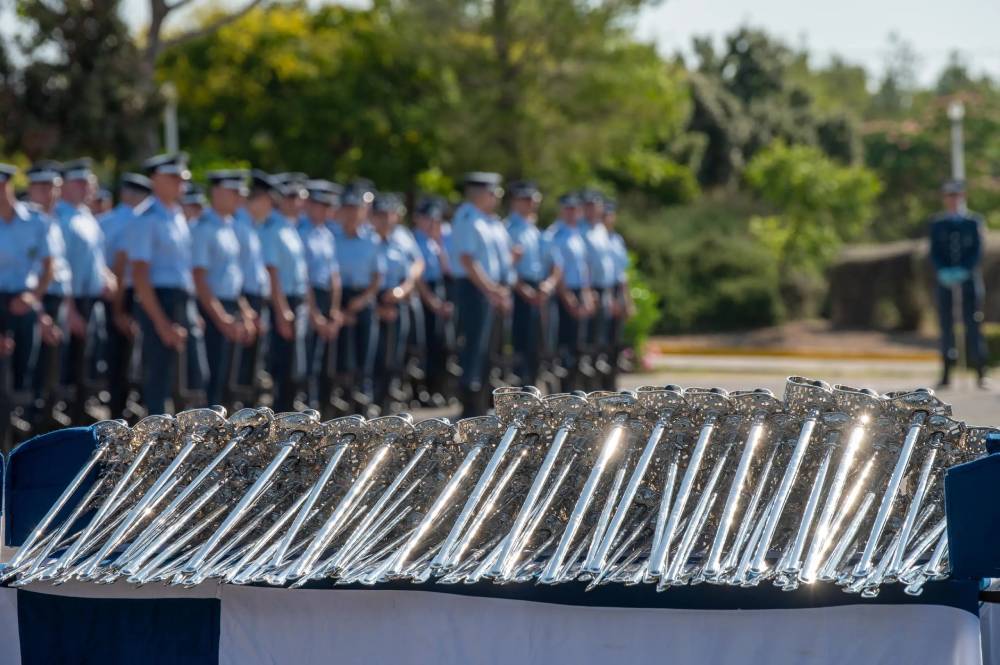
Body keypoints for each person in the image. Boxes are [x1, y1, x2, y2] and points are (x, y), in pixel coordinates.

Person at [130, 152, 207, 415]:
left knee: (190, 379)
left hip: (181, 301)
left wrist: (191, 311)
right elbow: (140, 275)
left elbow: (183, 269)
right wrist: (161, 322)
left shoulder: (177, 215)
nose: (180, 183)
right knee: (159, 379)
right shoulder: (147, 217)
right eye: (173, 177)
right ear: (156, 179)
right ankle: (157, 445)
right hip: (159, 302)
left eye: (181, 178)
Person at [0, 164, 57, 449]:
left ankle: (24, 444)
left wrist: (32, 297)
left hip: (24, 301)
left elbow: (49, 268)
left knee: (27, 374)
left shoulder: (34, 220)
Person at [55, 158, 115, 422]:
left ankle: (80, 413)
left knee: (88, 362)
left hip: (92, 300)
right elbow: (60, 266)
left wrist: (107, 276)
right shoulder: (60, 218)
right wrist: (69, 311)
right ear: (65, 186)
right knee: (66, 366)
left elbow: (96, 259)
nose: (87, 187)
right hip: (71, 301)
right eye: (79, 182)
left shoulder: (86, 216)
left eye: (88, 182)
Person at [192, 171, 255, 406]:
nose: (240, 199)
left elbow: (233, 277)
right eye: (234, 192)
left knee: (228, 379)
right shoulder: (204, 228)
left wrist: (244, 311)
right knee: (211, 379)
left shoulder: (230, 227)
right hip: (211, 308)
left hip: (229, 306)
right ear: (217, 193)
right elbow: (199, 279)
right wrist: (221, 319)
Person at [451, 172, 510, 416]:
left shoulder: (487, 220)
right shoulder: (468, 218)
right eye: (494, 193)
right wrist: (491, 289)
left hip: (489, 290)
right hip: (474, 289)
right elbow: (467, 260)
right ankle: (469, 407)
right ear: (480, 193)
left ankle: (482, 402)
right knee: (474, 346)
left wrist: (498, 289)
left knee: (488, 348)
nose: (496, 198)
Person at [99, 172, 151, 417]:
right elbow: (121, 265)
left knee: (115, 358)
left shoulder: (105, 220)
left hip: (108, 292)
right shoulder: (136, 220)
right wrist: (120, 309)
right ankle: (122, 412)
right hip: (126, 294)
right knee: (128, 359)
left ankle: (117, 409)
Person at [929, 179, 988, 388]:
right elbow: (934, 251)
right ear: (945, 198)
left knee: (973, 326)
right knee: (946, 327)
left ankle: (981, 374)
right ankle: (946, 374)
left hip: (969, 281)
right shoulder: (937, 223)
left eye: (957, 195)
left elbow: (978, 250)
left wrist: (964, 270)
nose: (953, 200)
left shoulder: (974, 222)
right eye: (949, 196)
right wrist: (944, 271)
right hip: (946, 281)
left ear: (962, 197)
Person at [25, 163, 71, 419]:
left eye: (52, 187)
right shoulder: (27, 223)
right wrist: (39, 312)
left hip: (57, 301)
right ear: (30, 190)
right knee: (35, 375)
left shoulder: (54, 221)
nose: (48, 193)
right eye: (41, 187)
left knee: (53, 374)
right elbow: (28, 275)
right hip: (35, 303)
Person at [259, 181, 310, 412]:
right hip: (283, 301)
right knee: (284, 365)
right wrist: (281, 311)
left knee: (295, 365)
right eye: (291, 197)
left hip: (296, 300)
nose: (297, 202)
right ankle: (281, 414)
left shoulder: (291, 228)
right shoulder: (273, 229)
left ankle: (289, 409)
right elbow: (272, 272)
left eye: (299, 197)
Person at [371, 193, 423, 412]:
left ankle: (387, 399)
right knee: (374, 356)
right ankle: (371, 401)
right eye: (380, 214)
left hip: (398, 298)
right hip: (374, 300)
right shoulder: (367, 239)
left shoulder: (402, 237)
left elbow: (417, 263)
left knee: (395, 355)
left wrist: (403, 290)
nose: (385, 219)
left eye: (389, 214)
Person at [506, 181, 560, 387]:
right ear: (516, 201)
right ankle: (521, 388)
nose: (532, 204)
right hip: (519, 289)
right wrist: (523, 289)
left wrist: (546, 285)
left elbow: (551, 263)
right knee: (521, 341)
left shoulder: (533, 229)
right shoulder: (510, 228)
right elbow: (507, 266)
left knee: (538, 343)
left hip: (538, 287)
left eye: (534, 200)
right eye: (527, 199)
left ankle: (532, 383)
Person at [335, 183, 383, 412]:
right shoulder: (332, 237)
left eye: (359, 208)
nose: (354, 213)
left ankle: (363, 399)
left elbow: (377, 277)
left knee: (366, 351)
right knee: (341, 354)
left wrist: (362, 301)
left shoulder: (371, 240)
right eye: (350, 208)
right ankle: (341, 400)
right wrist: (342, 307)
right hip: (339, 298)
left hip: (363, 298)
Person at [232, 170, 277, 403]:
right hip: (244, 298)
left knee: (252, 364)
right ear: (259, 199)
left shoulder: (251, 225)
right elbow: (235, 274)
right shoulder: (239, 225)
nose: (272, 208)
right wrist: (245, 308)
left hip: (256, 299)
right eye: (270, 202)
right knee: (239, 365)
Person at [300, 181, 342, 415]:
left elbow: (334, 276)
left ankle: (323, 407)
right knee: (309, 361)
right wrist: (314, 312)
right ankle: (309, 406)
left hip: (326, 298)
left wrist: (334, 310)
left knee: (326, 361)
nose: (326, 211)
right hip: (312, 296)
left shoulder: (327, 234)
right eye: (321, 205)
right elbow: (304, 277)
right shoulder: (302, 233)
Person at [547, 192, 593, 392]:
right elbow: (557, 269)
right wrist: (568, 298)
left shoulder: (578, 234)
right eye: (568, 209)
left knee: (578, 346)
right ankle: (563, 392)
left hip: (579, 292)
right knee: (564, 346)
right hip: (563, 294)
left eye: (576, 209)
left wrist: (587, 294)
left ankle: (575, 390)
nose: (572, 213)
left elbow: (584, 268)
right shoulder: (556, 234)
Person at [413, 197, 453, 403]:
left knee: (442, 344)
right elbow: (417, 277)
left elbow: (447, 270)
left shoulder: (437, 242)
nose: (432, 223)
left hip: (438, 291)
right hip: (422, 295)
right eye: (428, 219)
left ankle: (439, 388)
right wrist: (431, 301)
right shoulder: (414, 241)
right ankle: (423, 390)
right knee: (423, 345)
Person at [580, 190, 617, 391]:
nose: (593, 209)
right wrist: (587, 290)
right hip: (590, 289)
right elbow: (582, 264)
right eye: (589, 205)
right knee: (588, 340)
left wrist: (610, 292)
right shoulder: (580, 229)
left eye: (596, 205)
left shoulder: (601, 229)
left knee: (600, 340)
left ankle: (598, 388)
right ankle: (587, 389)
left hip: (604, 288)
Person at [604, 199, 632, 389]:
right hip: (604, 290)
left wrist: (627, 300)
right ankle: (602, 385)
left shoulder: (616, 239)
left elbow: (622, 275)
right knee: (602, 342)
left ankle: (612, 384)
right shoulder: (599, 239)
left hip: (616, 288)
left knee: (615, 339)